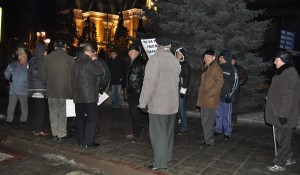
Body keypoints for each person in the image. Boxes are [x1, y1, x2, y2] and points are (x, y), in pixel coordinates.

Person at [139, 36, 181, 171]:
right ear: (169, 45)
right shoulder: (175, 60)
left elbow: (149, 84)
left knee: (158, 135)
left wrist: (143, 102)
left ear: (157, 45)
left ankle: (160, 163)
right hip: (172, 104)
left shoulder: (155, 59)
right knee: (168, 134)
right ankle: (167, 158)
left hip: (158, 105)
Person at [265, 51, 300, 172]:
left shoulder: (289, 74)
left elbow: (287, 96)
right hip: (279, 111)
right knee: (283, 137)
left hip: (285, 114)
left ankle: (280, 163)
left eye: (276, 60)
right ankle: (289, 157)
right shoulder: (285, 72)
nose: (274, 62)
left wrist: (283, 114)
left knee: (283, 138)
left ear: (283, 60)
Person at [37, 40, 74, 141]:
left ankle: (54, 133)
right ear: (64, 48)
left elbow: (40, 74)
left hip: (51, 90)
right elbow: (74, 75)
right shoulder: (70, 59)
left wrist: (47, 80)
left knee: (53, 111)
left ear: (55, 47)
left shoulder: (47, 58)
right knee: (63, 112)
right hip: (65, 91)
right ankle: (62, 133)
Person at [72, 43, 104, 148]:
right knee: (91, 119)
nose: (93, 54)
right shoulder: (89, 61)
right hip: (89, 96)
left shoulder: (75, 63)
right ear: (87, 52)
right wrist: (95, 60)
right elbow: (100, 71)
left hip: (77, 95)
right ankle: (88, 142)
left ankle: (80, 140)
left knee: (79, 119)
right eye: (92, 52)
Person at [196, 49, 223, 148]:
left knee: (208, 121)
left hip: (210, 100)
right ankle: (207, 138)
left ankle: (209, 141)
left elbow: (219, 83)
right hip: (204, 100)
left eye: (207, 57)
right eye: (204, 57)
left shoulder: (215, 68)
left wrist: (208, 93)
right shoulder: (208, 67)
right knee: (205, 120)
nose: (205, 58)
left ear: (213, 58)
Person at [214, 50, 239, 140]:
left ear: (224, 57)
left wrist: (230, 95)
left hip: (226, 97)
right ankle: (218, 129)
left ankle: (227, 132)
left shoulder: (232, 69)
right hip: (217, 96)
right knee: (218, 114)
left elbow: (235, 84)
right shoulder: (217, 68)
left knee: (226, 115)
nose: (219, 58)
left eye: (221, 57)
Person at [125, 43, 146, 143]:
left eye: (132, 51)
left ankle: (137, 135)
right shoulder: (131, 62)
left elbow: (145, 78)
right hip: (131, 91)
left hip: (137, 92)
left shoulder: (141, 62)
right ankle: (134, 132)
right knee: (132, 113)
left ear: (137, 52)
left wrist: (143, 92)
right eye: (129, 52)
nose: (130, 53)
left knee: (135, 113)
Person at [28, 44, 49, 136]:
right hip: (40, 88)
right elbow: (40, 74)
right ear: (41, 52)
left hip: (32, 88)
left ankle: (36, 128)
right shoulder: (41, 61)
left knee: (36, 109)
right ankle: (39, 130)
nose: (46, 53)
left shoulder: (31, 60)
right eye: (45, 51)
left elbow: (29, 72)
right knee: (41, 109)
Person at [4, 48, 29, 125]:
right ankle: (9, 119)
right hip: (13, 89)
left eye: (26, 57)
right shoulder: (13, 65)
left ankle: (23, 120)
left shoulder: (28, 65)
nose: (25, 58)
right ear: (20, 57)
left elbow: (32, 75)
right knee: (11, 106)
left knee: (24, 106)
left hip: (23, 89)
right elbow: (6, 73)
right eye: (24, 57)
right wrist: (10, 78)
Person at [175, 47, 191, 135]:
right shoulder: (174, 63)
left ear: (183, 56)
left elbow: (187, 77)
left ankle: (184, 128)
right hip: (174, 89)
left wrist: (183, 90)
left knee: (181, 109)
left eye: (180, 54)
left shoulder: (185, 64)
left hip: (181, 90)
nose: (178, 55)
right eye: (177, 53)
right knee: (176, 108)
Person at [231, 54, 248, 127]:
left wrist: (239, 83)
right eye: (231, 60)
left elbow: (245, 77)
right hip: (227, 90)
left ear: (236, 61)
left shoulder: (239, 68)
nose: (232, 61)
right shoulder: (227, 67)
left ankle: (233, 120)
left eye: (234, 60)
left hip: (235, 90)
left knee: (234, 105)